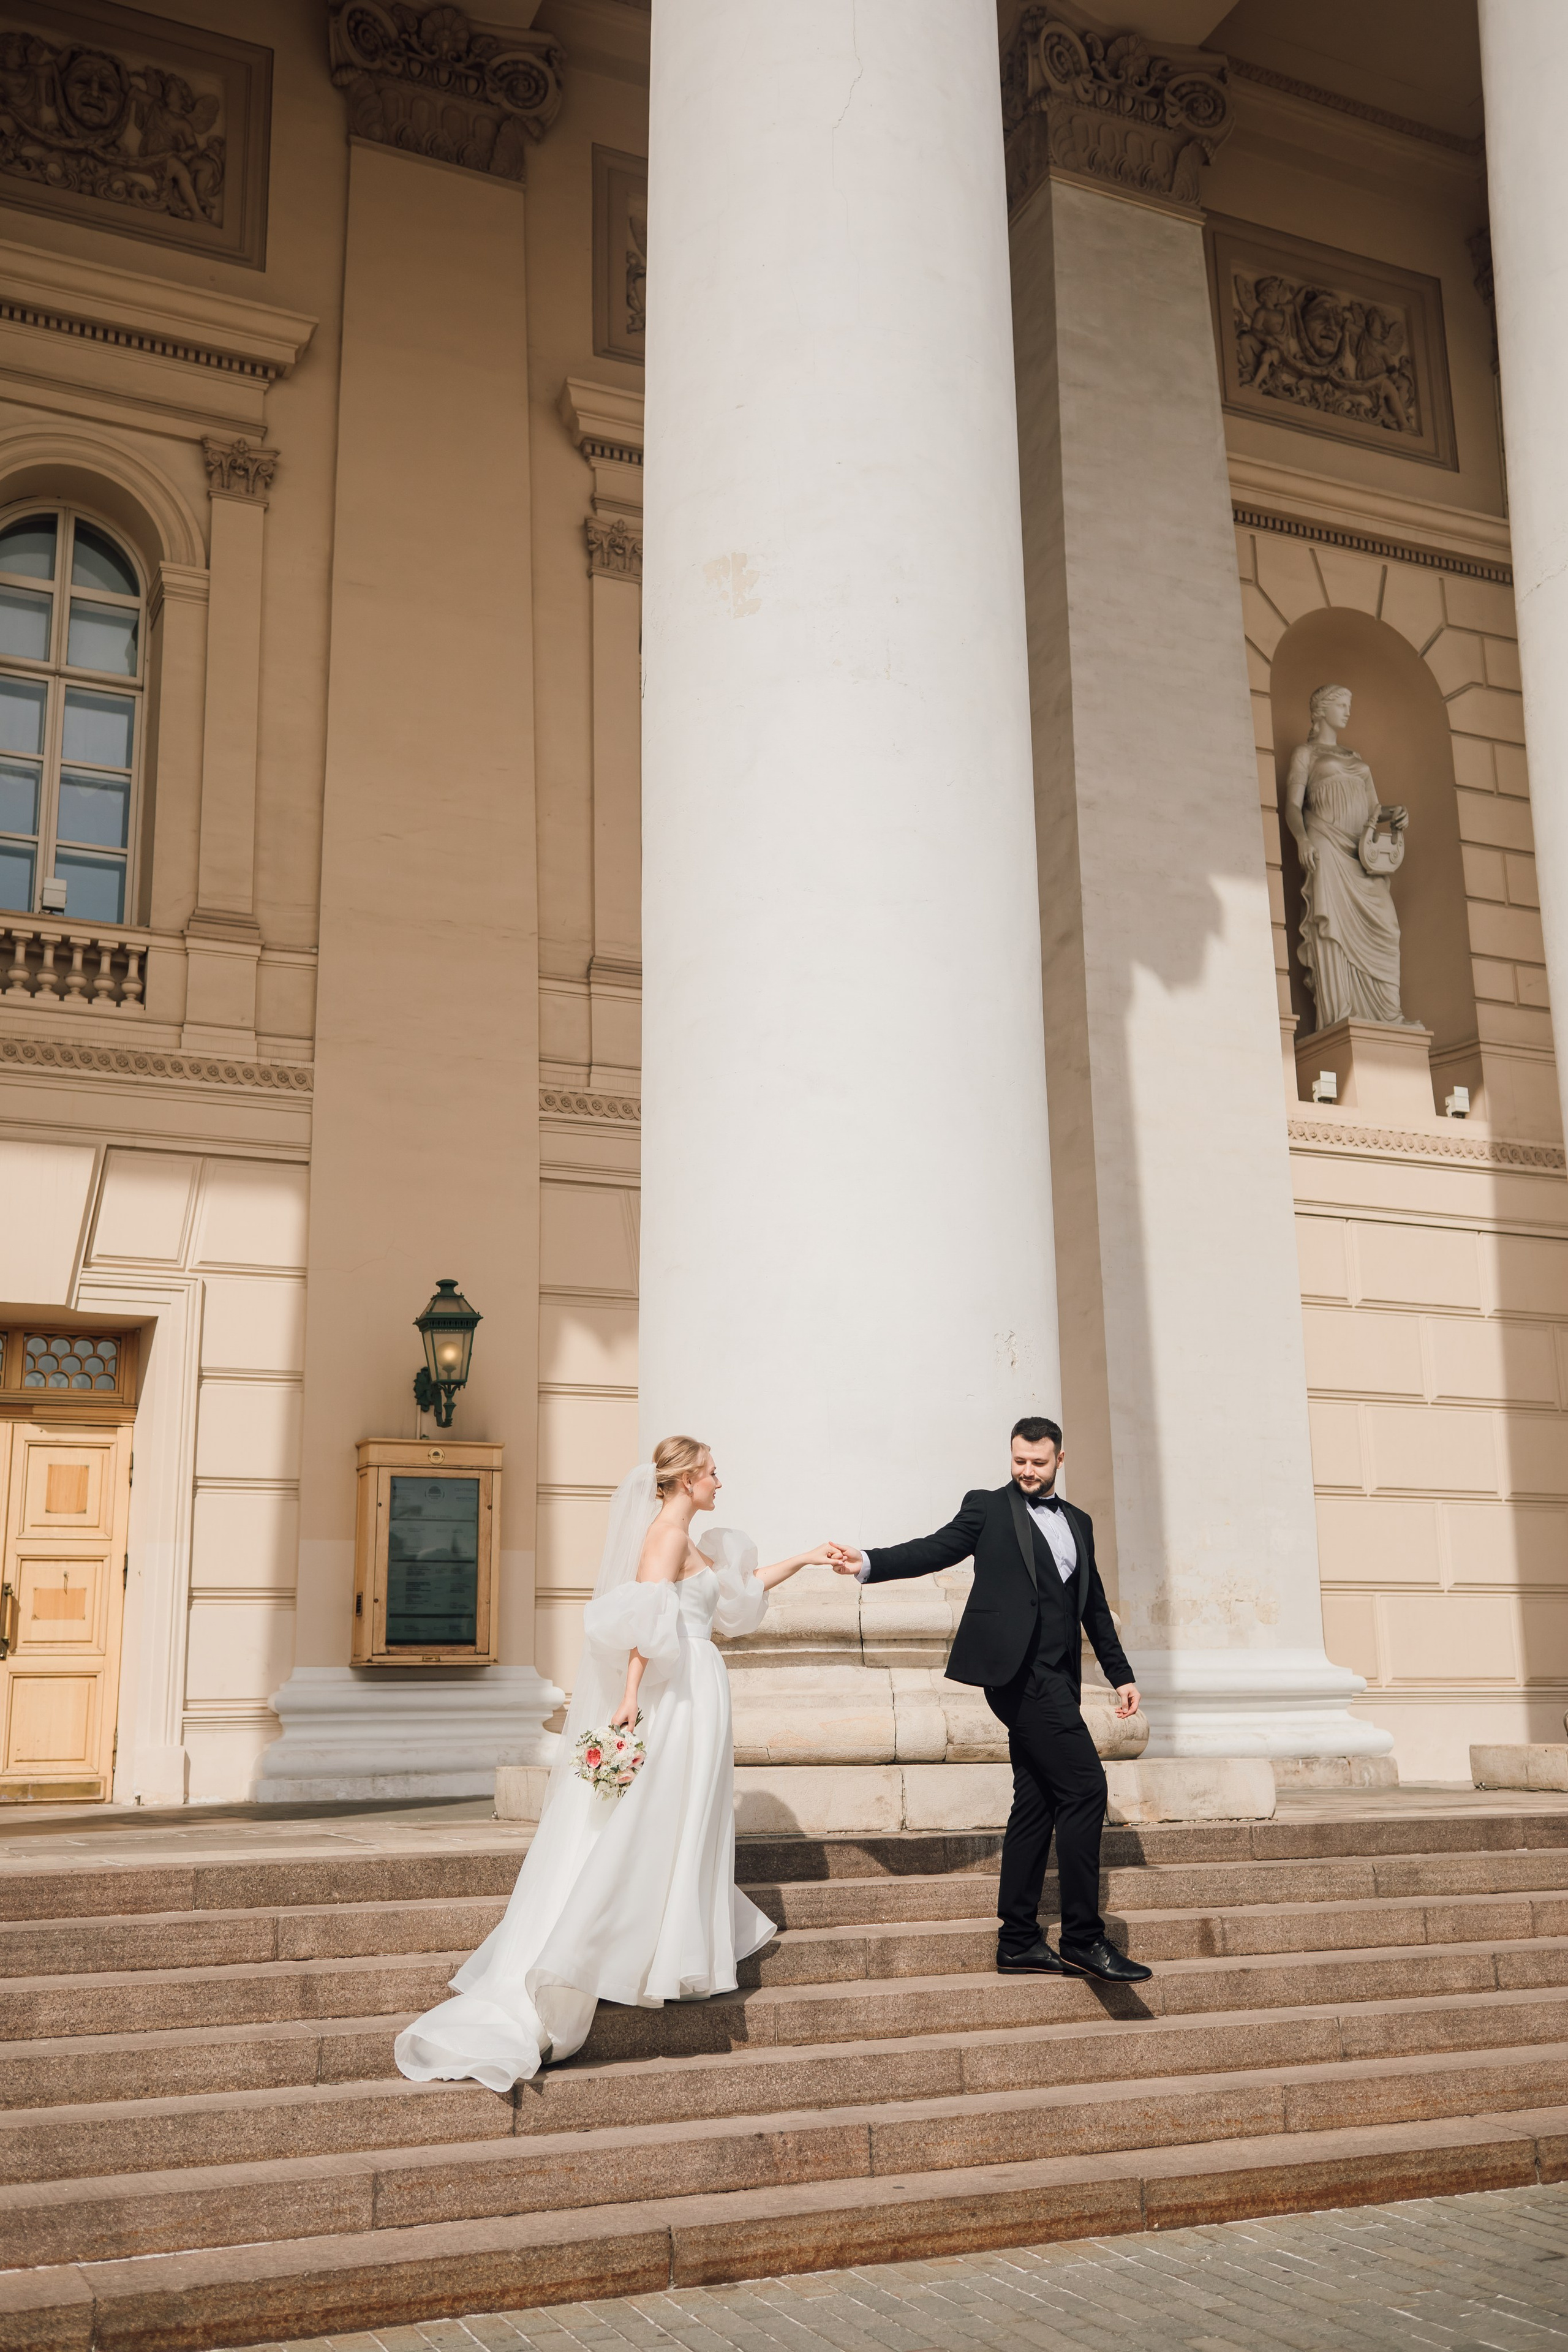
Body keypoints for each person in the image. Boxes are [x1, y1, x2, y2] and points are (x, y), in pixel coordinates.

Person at [395, 1436, 834, 2090]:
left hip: (703, 1687)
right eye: (712, 1473)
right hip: (678, 1691)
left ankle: (671, 1951)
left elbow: (737, 1593)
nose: (720, 1482)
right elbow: (644, 1622)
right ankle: (605, 1945)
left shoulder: (694, 1539)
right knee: (656, 1817)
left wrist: (806, 1558)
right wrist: (629, 1698)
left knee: (690, 1816)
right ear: (686, 1479)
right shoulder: (662, 1537)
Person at [828, 1417, 1152, 1985]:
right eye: (1019, 1461)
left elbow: (1093, 1607)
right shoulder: (987, 1507)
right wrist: (870, 1561)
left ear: (1060, 1460)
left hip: (1059, 1677)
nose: (1027, 1471)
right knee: (1086, 1787)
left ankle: (1019, 1940)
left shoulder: (1079, 1522)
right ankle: (1082, 1938)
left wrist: (1120, 1674)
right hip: (1016, 1678)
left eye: (1039, 1463)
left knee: (1037, 1803)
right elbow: (935, 1549)